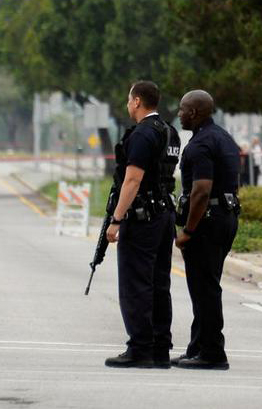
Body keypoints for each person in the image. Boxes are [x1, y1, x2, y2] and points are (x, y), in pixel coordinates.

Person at [104, 81, 180, 369]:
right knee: (160, 283)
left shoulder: (142, 134)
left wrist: (116, 219)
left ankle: (140, 348)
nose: (127, 104)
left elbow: (132, 180)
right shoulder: (170, 132)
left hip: (142, 217)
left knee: (136, 283)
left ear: (137, 101)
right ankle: (160, 348)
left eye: (128, 100)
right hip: (164, 216)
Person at [174, 90, 240, 370]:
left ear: (195, 112)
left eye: (182, 109)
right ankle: (197, 347)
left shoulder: (201, 144)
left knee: (205, 288)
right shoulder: (224, 137)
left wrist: (188, 229)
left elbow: (201, 191)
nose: (179, 114)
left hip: (207, 221)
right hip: (226, 216)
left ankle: (213, 353)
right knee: (204, 286)